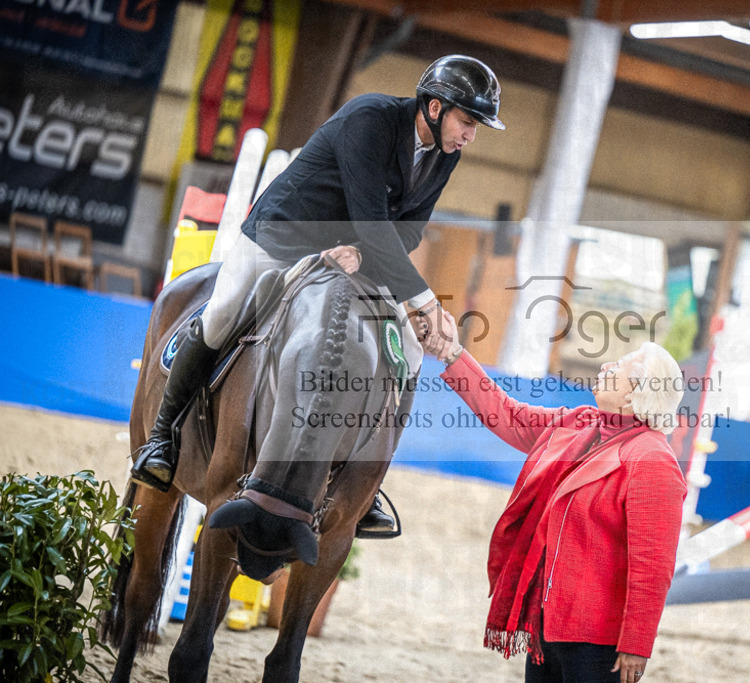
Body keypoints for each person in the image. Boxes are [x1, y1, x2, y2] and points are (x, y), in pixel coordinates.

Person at [131, 55, 505, 536]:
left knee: (409, 346)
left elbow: (409, 232)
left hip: (354, 254)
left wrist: (367, 263)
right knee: (224, 311)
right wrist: (424, 299)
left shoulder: (444, 155)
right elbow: (373, 219)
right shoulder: (370, 120)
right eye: (467, 121)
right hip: (284, 236)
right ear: (434, 107)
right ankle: (161, 438)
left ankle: (365, 481)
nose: (470, 135)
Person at [435, 312, 686, 683]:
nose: (606, 365)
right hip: (545, 624)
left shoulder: (653, 461)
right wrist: (451, 352)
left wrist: (637, 642)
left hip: (598, 642)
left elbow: (653, 566)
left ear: (635, 392)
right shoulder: (580, 422)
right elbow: (508, 415)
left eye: (619, 364)